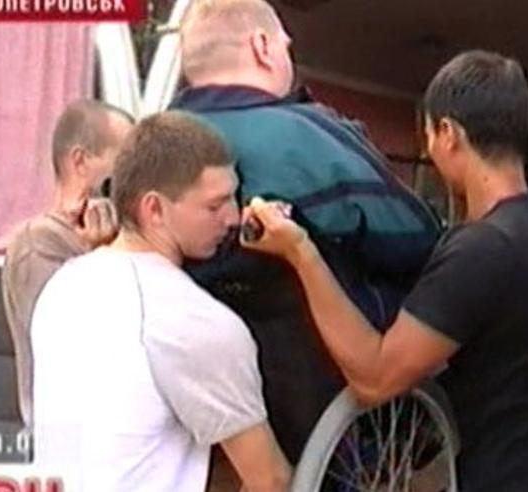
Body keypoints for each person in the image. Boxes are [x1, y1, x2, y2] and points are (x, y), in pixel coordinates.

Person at [241, 50, 528, 491]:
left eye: (429, 135)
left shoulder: (479, 249)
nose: (429, 151)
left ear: (449, 133)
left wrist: (301, 252)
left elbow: (374, 380)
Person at [171, 0, 441, 462]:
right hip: (319, 374)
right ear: (262, 47)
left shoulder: (149, 144)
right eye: (284, 45)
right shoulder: (305, 137)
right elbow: (412, 238)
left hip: (192, 373)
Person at [30, 111, 291, 491]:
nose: (234, 218)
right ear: (153, 209)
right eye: (214, 206)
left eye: (234, 199)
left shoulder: (63, 284)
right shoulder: (193, 319)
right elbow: (271, 481)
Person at [1, 99, 133, 426]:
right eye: (125, 161)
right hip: (73, 432)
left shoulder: (117, 237)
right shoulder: (39, 244)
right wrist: (104, 256)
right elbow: (73, 344)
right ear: (80, 161)